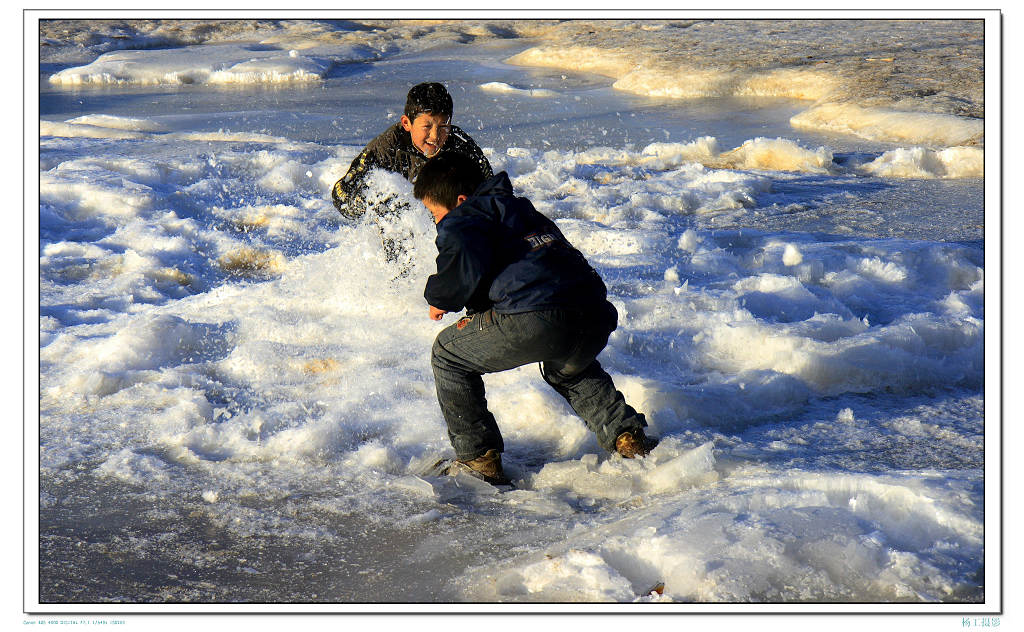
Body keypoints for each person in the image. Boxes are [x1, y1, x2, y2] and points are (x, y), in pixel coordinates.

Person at [413, 153, 657, 486]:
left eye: (434, 213)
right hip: (592, 310)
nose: (436, 222)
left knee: (447, 355)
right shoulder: (519, 211)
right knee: (569, 369)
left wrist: (439, 298)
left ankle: (478, 460)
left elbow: (463, 267)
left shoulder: (464, 216)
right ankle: (628, 438)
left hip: (537, 316)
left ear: (459, 201)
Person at [331, 82, 493, 270]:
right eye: (427, 126)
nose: (435, 136)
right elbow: (341, 194)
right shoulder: (387, 147)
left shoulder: (460, 147)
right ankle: (401, 279)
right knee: (390, 203)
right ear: (407, 123)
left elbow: (494, 193)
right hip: (403, 222)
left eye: (443, 126)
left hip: (449, 222)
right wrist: (369, 201)